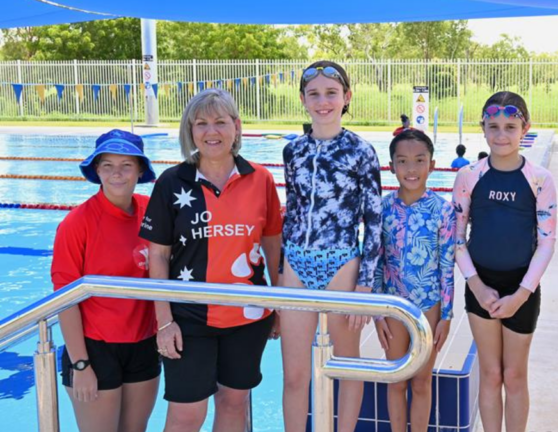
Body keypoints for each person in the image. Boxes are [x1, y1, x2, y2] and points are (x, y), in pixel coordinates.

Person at [139, 88, 282, 432]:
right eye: (200, 123)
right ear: (190, 131)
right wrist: (164, 322)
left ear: (236, 126)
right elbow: (157, 256)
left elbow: (273, 245)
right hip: (187, 316)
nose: (211, 131)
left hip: (247, 314)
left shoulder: (259, 179)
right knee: (187, 413)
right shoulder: (172, 182)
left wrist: (278, 305)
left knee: (234, 405)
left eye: (220, 121)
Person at [281, 60, 382, 432]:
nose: (322, 101)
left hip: (342, 263)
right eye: (314, 94)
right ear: (304, 100)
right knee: (294, 373)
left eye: (331, 93)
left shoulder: (361, 151)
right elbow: (291, 213)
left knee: (347, 364)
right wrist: (279, 271)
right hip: (295, 263)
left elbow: (373, 220)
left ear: (346, 98)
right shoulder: (293, 152)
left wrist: (366, 284)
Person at [452, 91, 557, 432]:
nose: (501, 135)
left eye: (510, 126)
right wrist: (476, 285)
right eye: (493, 126)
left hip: (520, 287)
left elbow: (546, 242)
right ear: (482, 127)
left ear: (526, 127)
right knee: (490, 372)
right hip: (480, 284)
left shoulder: (540, 179)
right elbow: (457, 239)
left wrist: (522, 294)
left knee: (514, 375)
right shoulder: (469, 175)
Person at [52, 129, 160, 432]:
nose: (117, 174)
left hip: (144, 345)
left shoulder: (152, 213)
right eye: (107, 165)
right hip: (94, 349)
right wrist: (81, 364)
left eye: (126, 165)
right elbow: (66, 300)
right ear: (96, 170)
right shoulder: (76, 224)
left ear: (140, 170)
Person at [374, 129, 456, 432]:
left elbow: (447, 266)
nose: (411, 169)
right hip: (393, 305)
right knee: (396, 379)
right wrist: (376, 311)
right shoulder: (383, 208)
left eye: (419, 161)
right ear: (392, 165)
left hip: (428, 304)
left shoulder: (443, 210)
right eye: (403, 161)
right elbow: (377, 262)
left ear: (432, 165)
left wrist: (446, 316)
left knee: (421, 381)